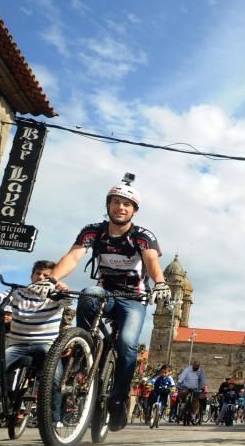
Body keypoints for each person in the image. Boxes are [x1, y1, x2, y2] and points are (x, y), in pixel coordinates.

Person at [27, 175, 171, 431]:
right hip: (105, 291)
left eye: (127, 204)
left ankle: (118, 397)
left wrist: (160, 283)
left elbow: (152, 262)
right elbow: (73, 257)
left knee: (127, 342)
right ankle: (86, 345)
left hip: (133, 298)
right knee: (89, 292)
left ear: (134, 211)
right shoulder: (93, 231)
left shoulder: (142, 236)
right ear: (108, 205)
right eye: (116, 202)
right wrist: (51, 279)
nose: (121, 207)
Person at [0, 261, 69, 442]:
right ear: (31, 275)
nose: (40, 278)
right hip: (16, 345)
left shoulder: (56, 295)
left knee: (55, 379)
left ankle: (54, 421)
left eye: (46, 276)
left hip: (46, 345)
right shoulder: (18, 293)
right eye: (37, 274)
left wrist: (61, 288)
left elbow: (67, 299)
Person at [177, 360, 207, 425]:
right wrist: (179, 384)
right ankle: (183, 403)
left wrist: (202, 388)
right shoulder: (187, 370)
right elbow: (181, 378)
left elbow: (203, 380)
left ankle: (193, 414)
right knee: (183, 392)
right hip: (186, 386)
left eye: (198, 367)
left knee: (196, 400)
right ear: (192, 365)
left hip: (196, 388)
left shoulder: (201, 371)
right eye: (195, 366)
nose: (196, 368)